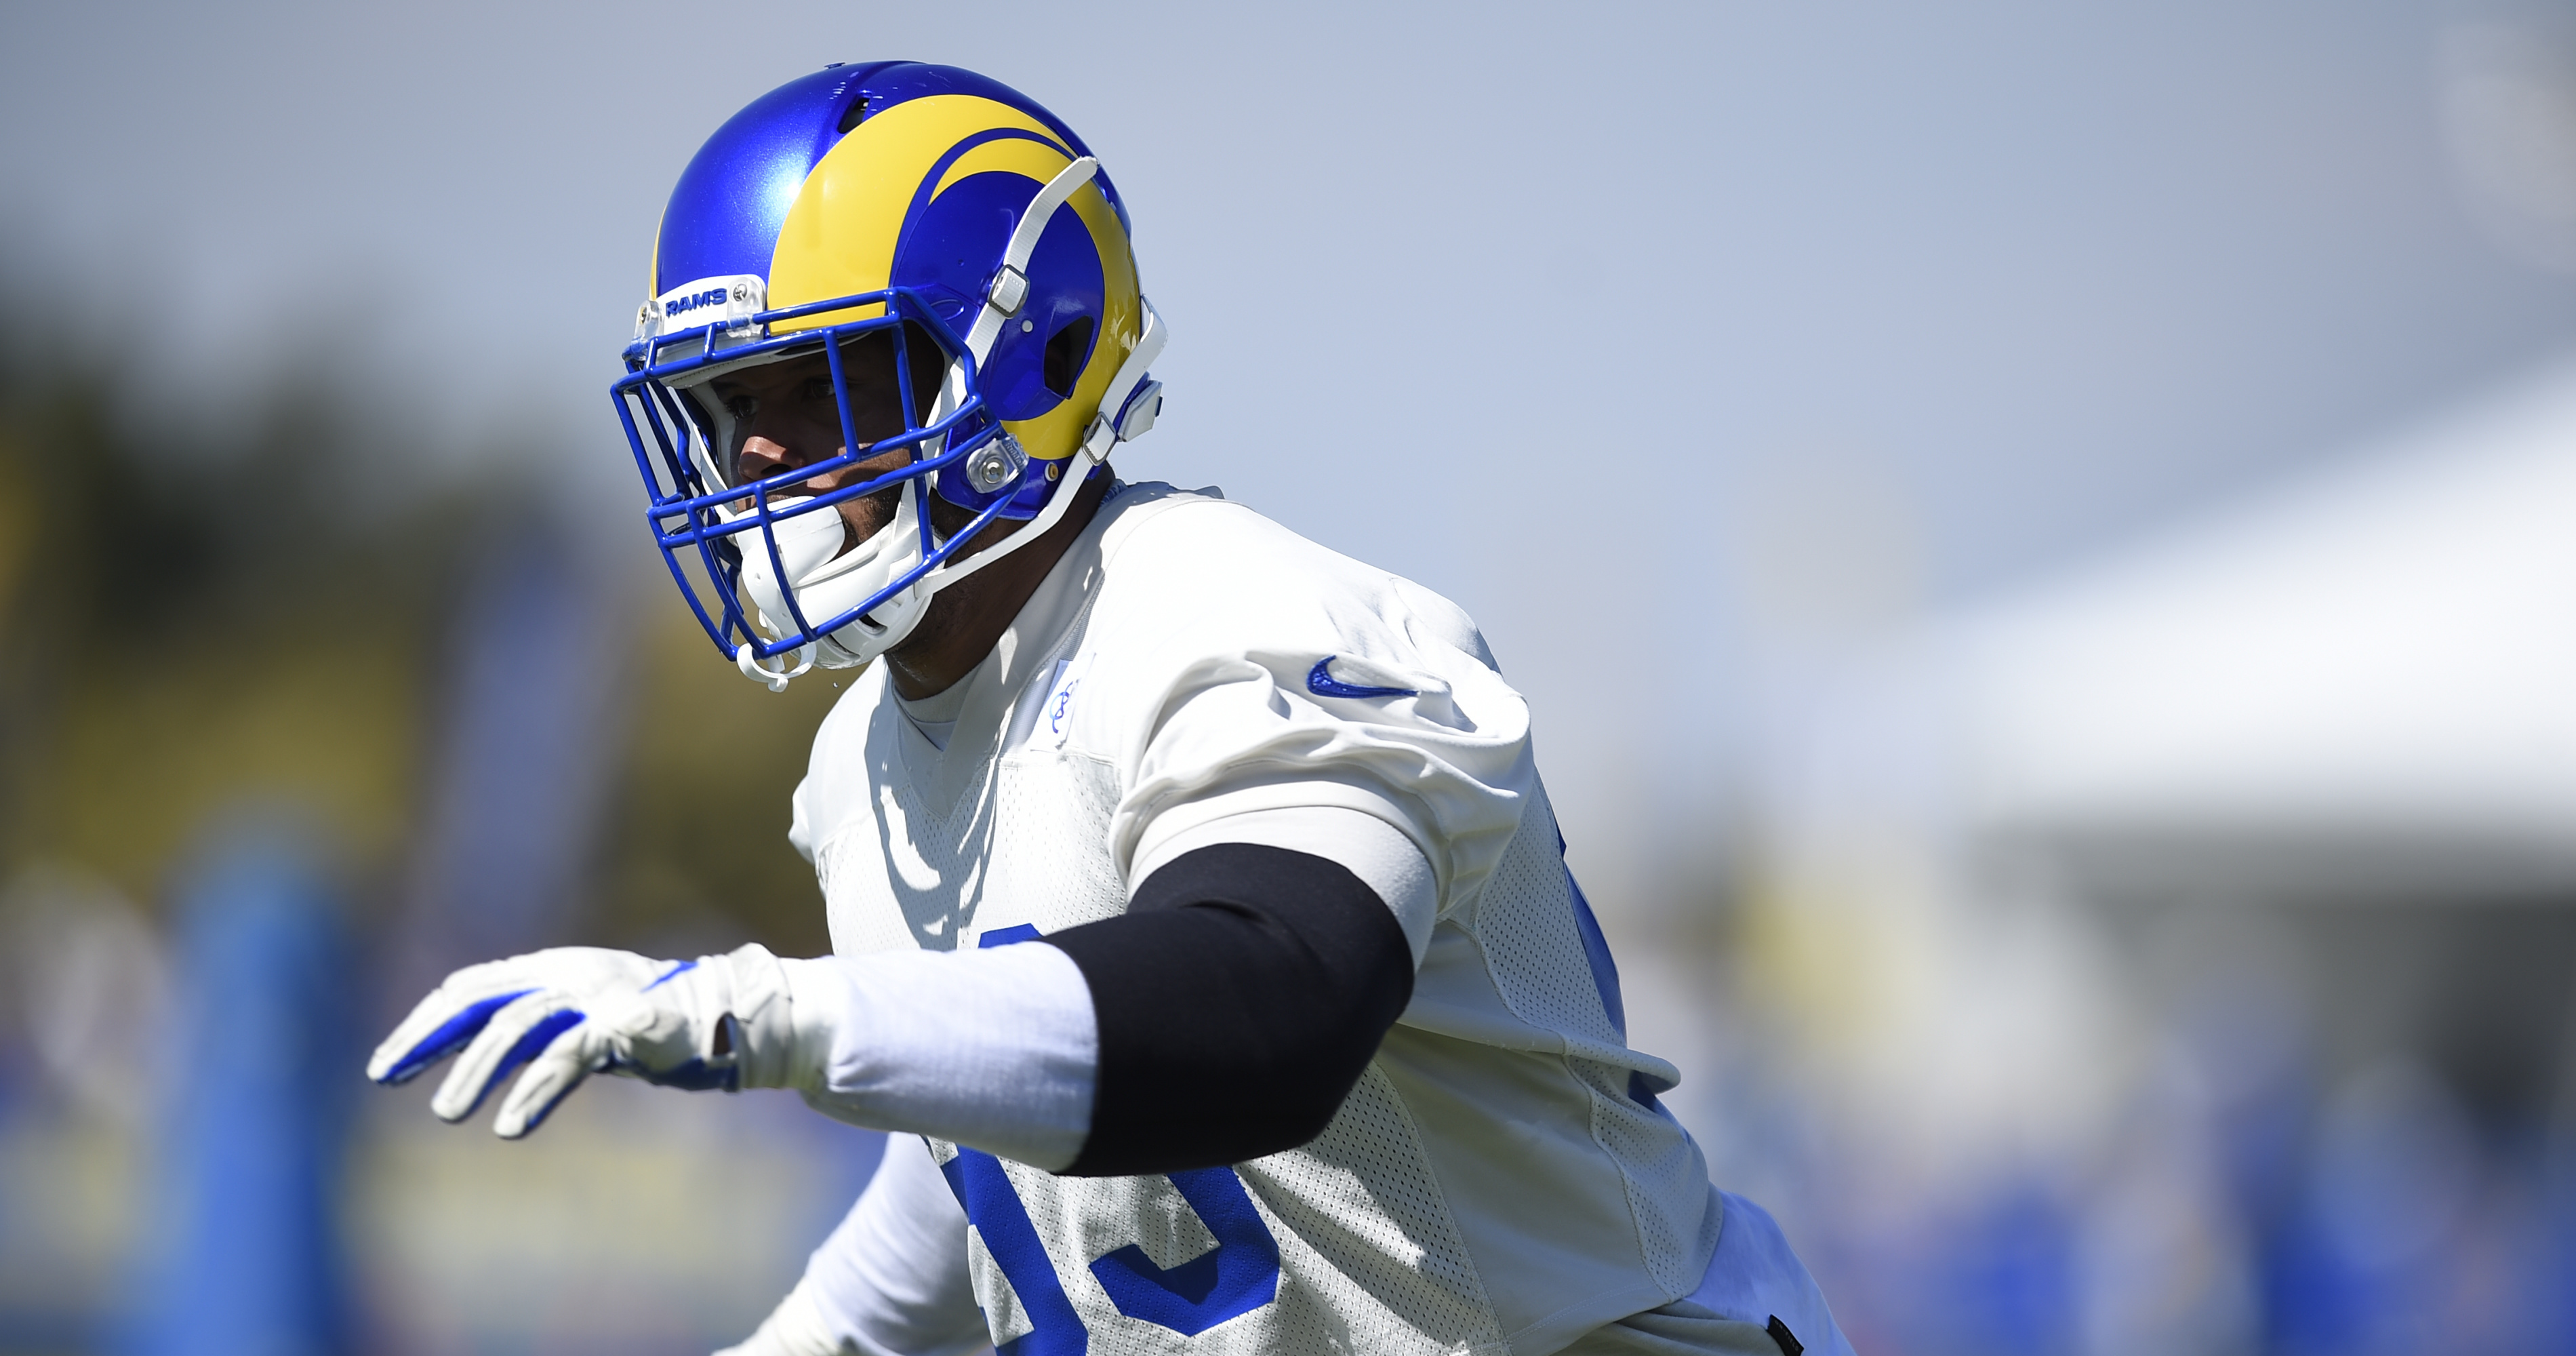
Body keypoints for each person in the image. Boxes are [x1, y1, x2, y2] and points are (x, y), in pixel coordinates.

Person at [369, 61, 1854, 1356]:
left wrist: (767, 1010)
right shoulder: (863, 764)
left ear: (1023, 360)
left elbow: (1268, 1008)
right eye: (724, 407)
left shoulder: (1223, 614)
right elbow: (997, 1136)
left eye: (811, 385)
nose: (754, 454)